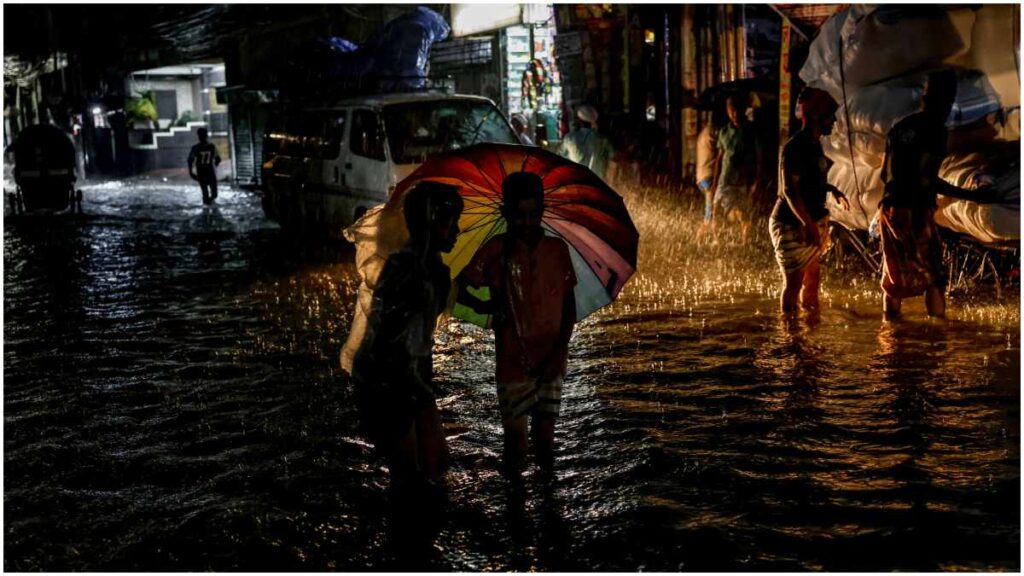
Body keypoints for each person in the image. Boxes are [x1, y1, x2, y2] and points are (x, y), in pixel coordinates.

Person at [349, 181, 464, 544]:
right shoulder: (407, 269)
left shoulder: (434, 270)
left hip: (409, 378)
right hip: (389, 381)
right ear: (431, 223)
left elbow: (420, 333)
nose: (458, 231)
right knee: (410, 478)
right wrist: (416, 392)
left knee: (433, 468)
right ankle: (405, 550)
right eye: (451, 222)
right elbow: (392, 340)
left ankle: (413, 544)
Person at [457, 172, 577, 479]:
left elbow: (569, 307)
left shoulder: (557, 250)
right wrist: (484, 305)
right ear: (506, 214)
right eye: (519, 216)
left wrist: (559, 352)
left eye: (533, 214)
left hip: (552, 357)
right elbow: (460, 285)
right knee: (516, 444)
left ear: (542, 210)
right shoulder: (495, 250)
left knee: (545, 441)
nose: (526, 222)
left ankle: (546, 500)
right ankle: (517, 508)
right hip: (511, 360)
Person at [878, 70, 988, 320]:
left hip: (888, 208)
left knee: (894, 275)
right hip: (914, 210)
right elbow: (926, 179)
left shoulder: (899, 127)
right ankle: (935, 336)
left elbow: (883, 176)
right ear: (946, 100)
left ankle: (891, 333)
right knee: (935, 277)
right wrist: (971, 196)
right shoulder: (935, 130)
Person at [769, 87, 850, 314]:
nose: (833, 121)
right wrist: (808, 224)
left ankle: (811, 335)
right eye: (828, 116)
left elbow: (809, 181)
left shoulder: (814, 145)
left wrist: (832, 189)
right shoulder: (795, 147)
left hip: (807, 221)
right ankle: (791, 340)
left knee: (812, 279)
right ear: (815, 116)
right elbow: (789, 191)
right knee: (793, 285)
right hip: (790, 223)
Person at [710, 94, 764, 244]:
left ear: (742, 110)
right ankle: (718, 241)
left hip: (742, 182)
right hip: (724, 180)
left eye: (736, 109)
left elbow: (760, 158)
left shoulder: (751, 131)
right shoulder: (724, 132)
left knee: (742, 214)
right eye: (731, 110)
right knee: (716, 210)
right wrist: (714, 183)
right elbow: (719, 160)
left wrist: (757, 182)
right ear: (727, 111)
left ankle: (745, 242)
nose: (734, 113)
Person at [694, 97, 726, 243]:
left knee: (712, 210)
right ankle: (702, 240)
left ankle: (709, 239)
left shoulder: (703, 132)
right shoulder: (717, 132)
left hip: (701, 177)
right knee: (712, 213)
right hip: (710, 176)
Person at [557, 104, 614, 182]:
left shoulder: (569, 137)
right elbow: (612, 159)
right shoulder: (603, 139)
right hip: (598, 185)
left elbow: (559, 157)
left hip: (577, 184)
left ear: (579, 120)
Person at [188, 127, 221, 205]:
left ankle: (207, 209)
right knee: (213, 194)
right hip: (209, 172)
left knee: (206, 193)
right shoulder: (211, 146)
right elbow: (218, 159)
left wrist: (191, 172)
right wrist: (215, 166)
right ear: (207, 136)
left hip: (202, 172)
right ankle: (210, 209)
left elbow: (190, 160)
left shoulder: (195, 148)